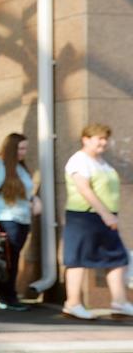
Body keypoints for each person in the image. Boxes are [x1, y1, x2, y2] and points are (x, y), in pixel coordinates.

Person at [61, 123, 133, 320]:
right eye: (99, 138)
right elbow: (84, 189)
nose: (103, 142)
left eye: (105, 139)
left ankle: (119, 302)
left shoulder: (101, 162)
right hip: (84, 217)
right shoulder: (79, 160)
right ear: (85, 139)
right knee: (78, 259)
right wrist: (105, 214)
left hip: (103, 218)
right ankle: (72, 303)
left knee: (117, 258)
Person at [0, 132, 42, 311]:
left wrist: (35, 200)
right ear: (11, 148)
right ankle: (7, 296)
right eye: (20, 148)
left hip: (21, 218)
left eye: (26, 148)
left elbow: (26, 192)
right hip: (6, 218)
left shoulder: (19, 168)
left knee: (10, 258)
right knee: (9, 260)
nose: (24, 152)